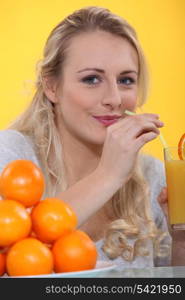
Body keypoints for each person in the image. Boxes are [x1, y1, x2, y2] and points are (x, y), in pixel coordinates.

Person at [0, 6, 184, 268]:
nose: (114, 99)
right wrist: (108, 175)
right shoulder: (9, 158)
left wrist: (180, 241)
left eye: (126, 80)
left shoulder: (153, 178)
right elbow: (16, 258)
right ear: (52, 86)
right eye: (92, 79)